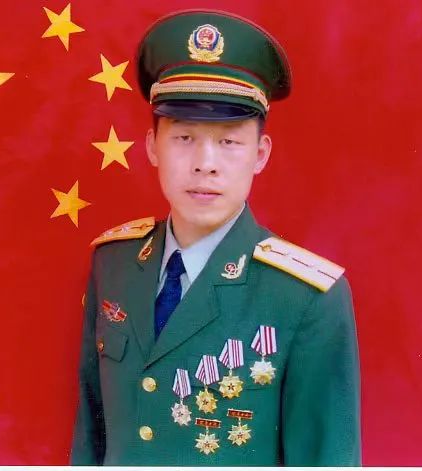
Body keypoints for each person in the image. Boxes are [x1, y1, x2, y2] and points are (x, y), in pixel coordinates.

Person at [70, 9, 361, 466]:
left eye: (229, 141)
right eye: (184, 137)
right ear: (152, 146)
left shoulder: (304, 298)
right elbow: (91, 436)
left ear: (260, 154)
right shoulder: (115, 263)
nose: (205, 164)